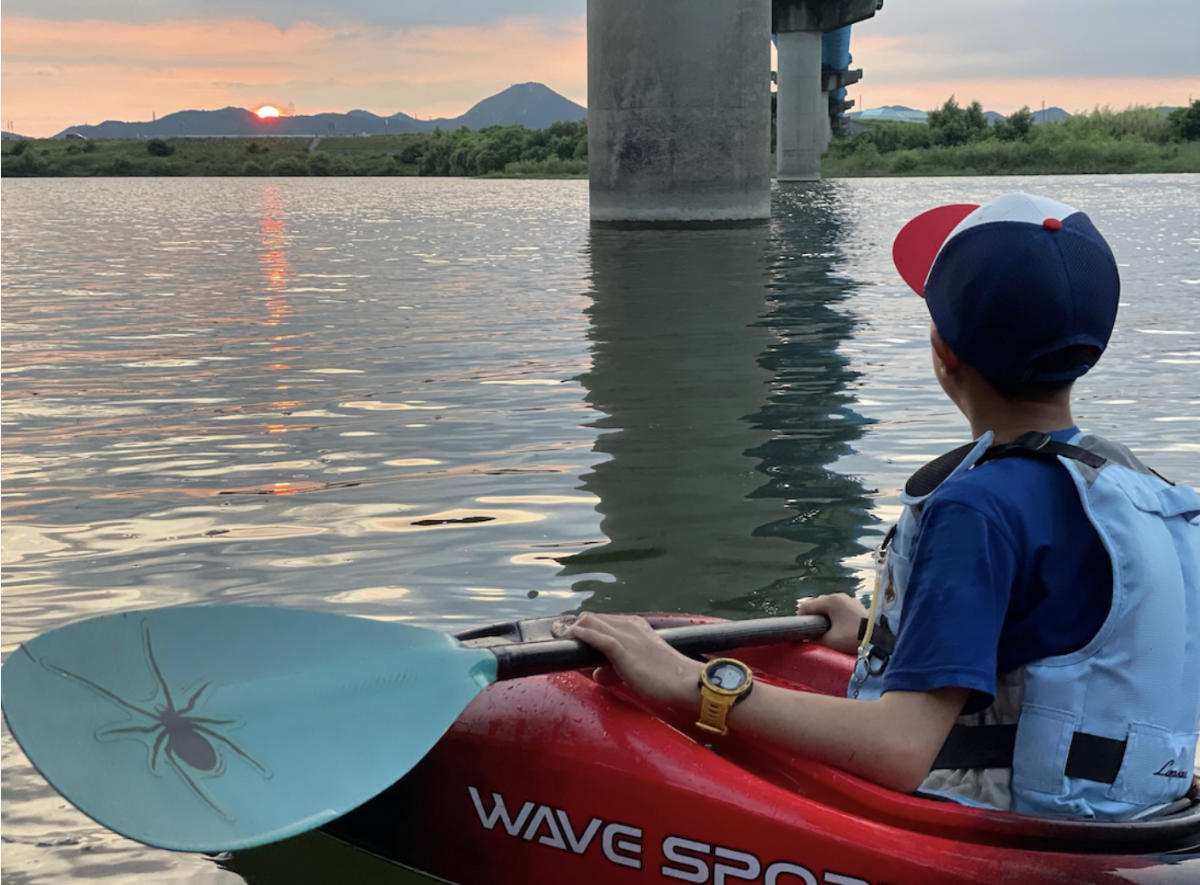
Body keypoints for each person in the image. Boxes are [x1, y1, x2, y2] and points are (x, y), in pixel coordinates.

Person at [569, 192, 1200, 821]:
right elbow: (1071, 645)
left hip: (1006, 830)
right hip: (1133, 818)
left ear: (943, 349)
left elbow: (900, 747)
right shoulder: (1143, 489)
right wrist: (888, 634)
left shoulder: (979, 507)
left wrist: (686, 683)